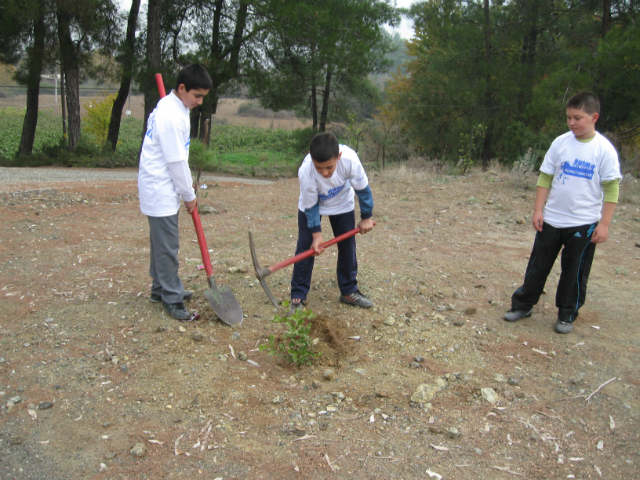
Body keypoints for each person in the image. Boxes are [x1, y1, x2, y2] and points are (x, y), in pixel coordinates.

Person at [504, 92, 622, 333]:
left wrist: (604, 224)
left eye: (577, 117)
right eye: (569, 117)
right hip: (552, 219)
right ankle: (523, 305)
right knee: (539, 264)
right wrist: (539, 209)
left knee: (574, 271)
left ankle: (567, 314)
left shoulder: (604, 150)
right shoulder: (560, 143)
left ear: (594, 117)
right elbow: (545, 176)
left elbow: (611, 189)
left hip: (584, 223)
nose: (572, 122)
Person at [138, 64, 212, 320]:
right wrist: (189, 196)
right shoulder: (170, 116)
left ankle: (160, 288)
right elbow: (176, 161)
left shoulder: (175, 107)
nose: (200, 102)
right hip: (160, 188)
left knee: (160, 243)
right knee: (168, 245)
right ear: (182, 88)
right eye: (197, 96)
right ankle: (172, 298)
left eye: (203, 96)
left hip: (161, 186)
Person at [290, 132, 375, 313]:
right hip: (312, 206)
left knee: (347, 246)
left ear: (339, 157)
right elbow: (311, 206)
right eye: (319, 168)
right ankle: (298, 296)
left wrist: (366, 217)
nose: (325, 173)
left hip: (342, 203)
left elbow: (363, 190)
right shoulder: (306, 171)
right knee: (306, 247)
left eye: (329, 167)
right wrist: (316, 235)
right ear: (310, 157)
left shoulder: (350, 160)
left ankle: (348, 291)